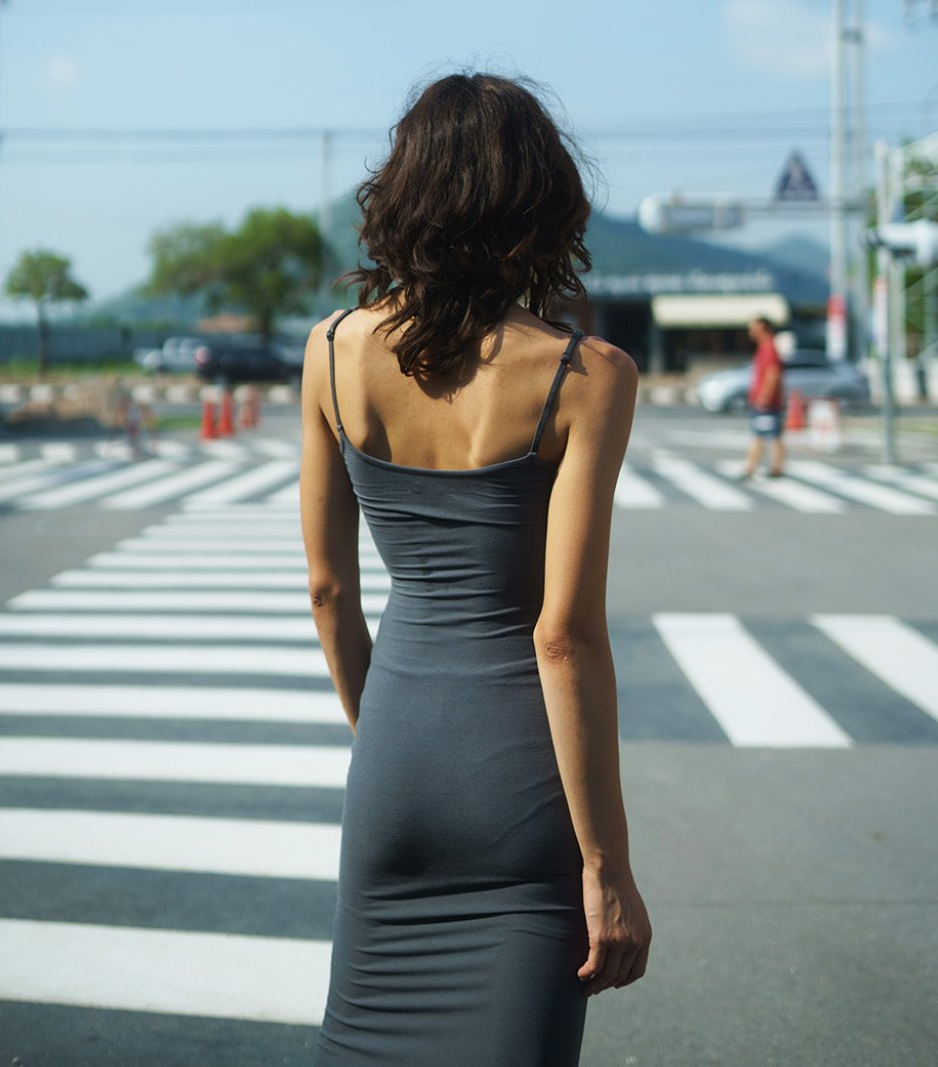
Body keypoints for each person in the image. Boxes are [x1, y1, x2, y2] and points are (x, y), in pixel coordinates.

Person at [300, 71, 652, 1065]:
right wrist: (606, 867)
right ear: (541, 202)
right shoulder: (587, 376)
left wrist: (387, 739)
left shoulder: (330, 350)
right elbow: (563, 636)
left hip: (395, 761)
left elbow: (329, 592)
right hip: (519, 784)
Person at [739, 314, 786, 480]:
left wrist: (765, 395)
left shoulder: (768, 348)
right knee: (772, 434)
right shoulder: (766, 347)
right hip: (767, 401)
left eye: (753, 328)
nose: (750, 332)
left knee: (762, 435)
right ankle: (774, 467)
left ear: (763, 329)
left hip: (766, 402)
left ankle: (751, 468)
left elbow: (772, 373)